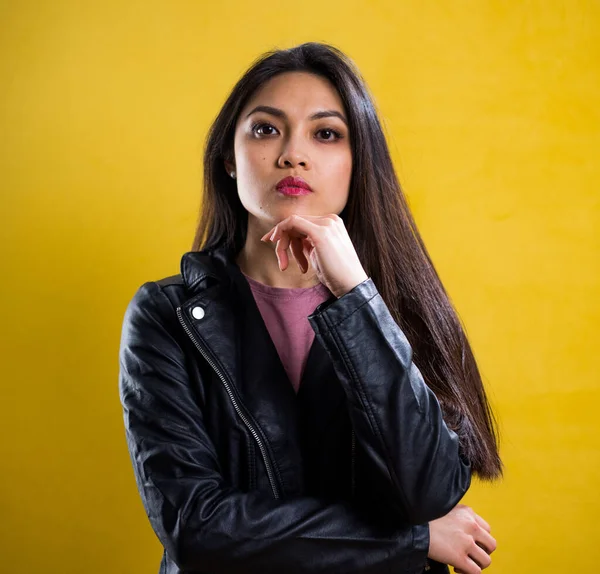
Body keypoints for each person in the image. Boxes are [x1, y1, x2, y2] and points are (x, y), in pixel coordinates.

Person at [119, 42, 502, 574]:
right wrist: (410, 542)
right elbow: (198, 529)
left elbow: (428, 493)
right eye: (265, 129)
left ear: (357, 161)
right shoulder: (167, 315)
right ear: (229, 158)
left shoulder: (400, 307)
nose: (292, 154)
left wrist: (356, 298)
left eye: (326, 134)